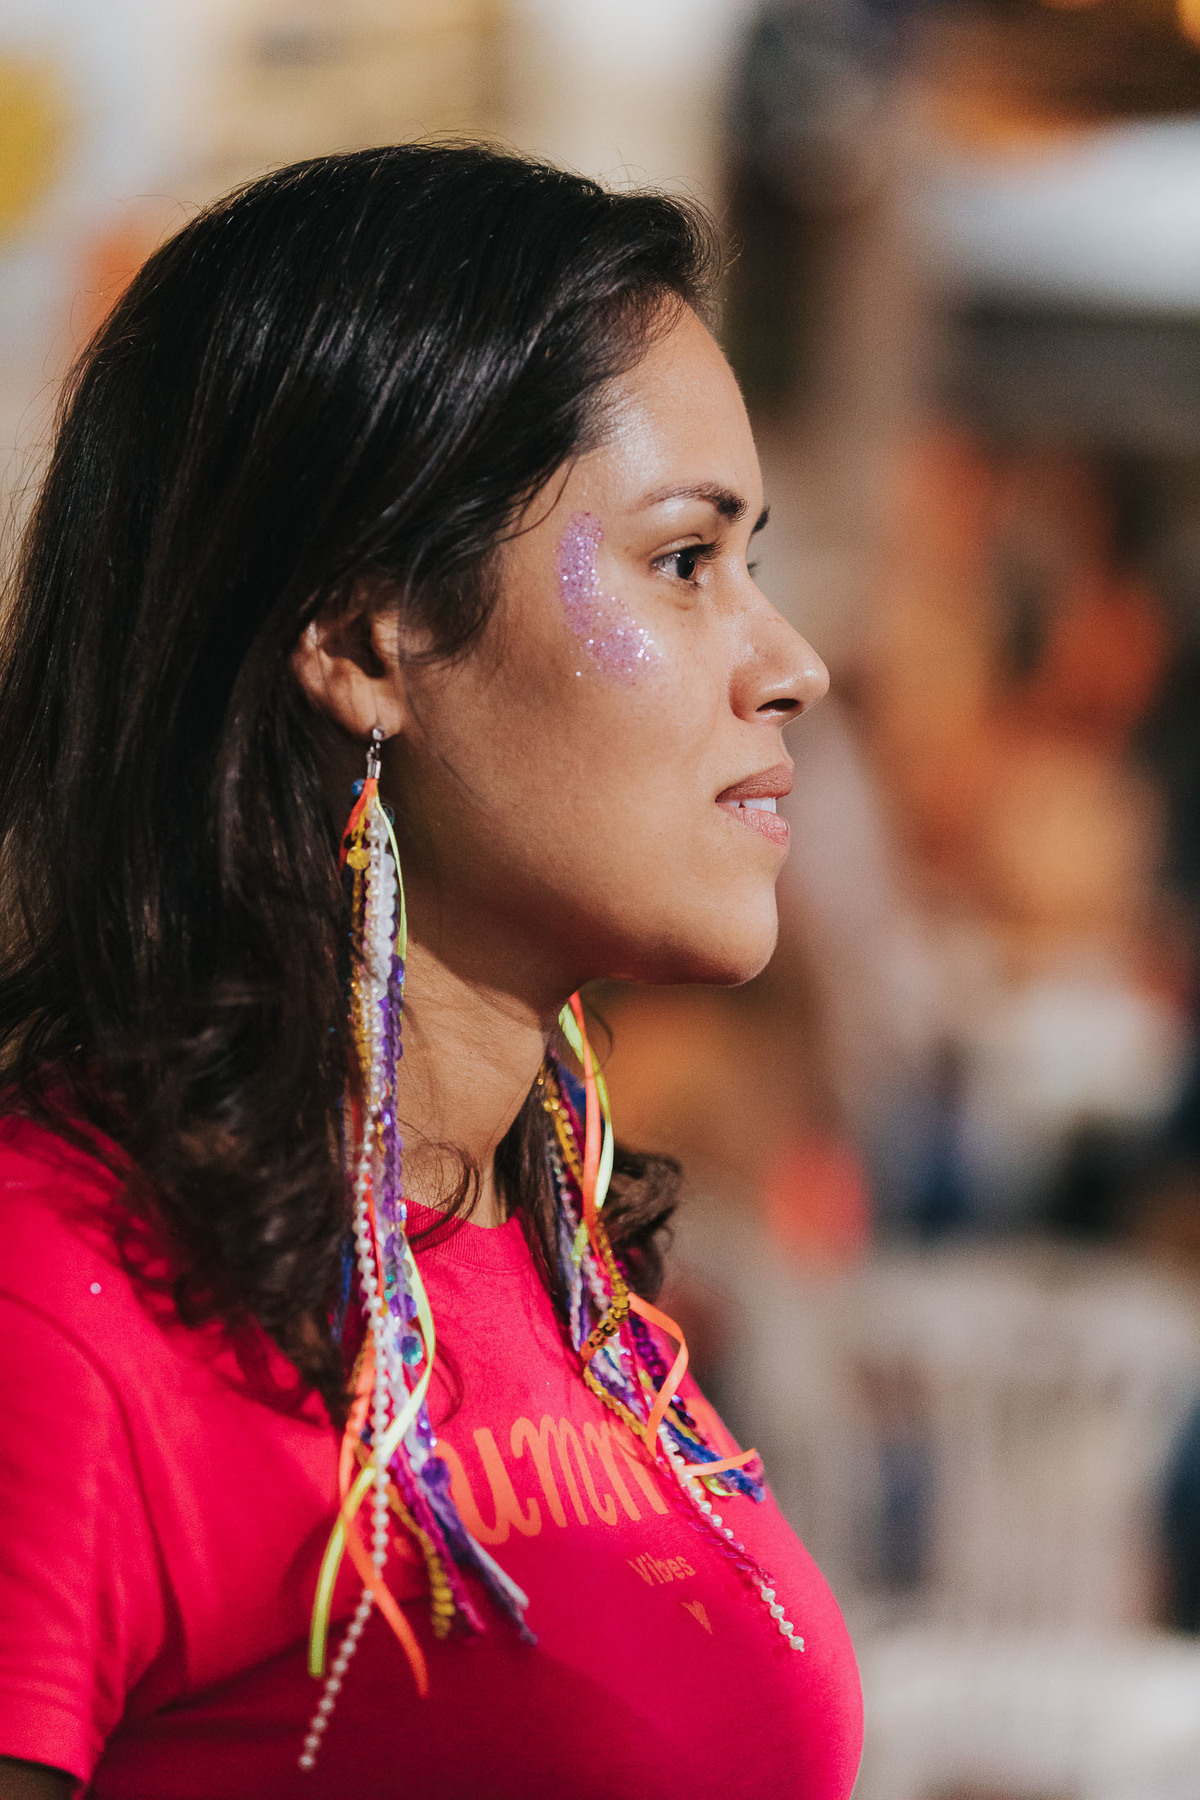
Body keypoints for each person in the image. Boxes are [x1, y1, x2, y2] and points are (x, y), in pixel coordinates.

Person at [0, 144, 861, 1799]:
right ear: (361, 637)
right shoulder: (59, 1297)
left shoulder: (559, 1268)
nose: (790, 662)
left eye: (754, 560)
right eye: (685, 561)